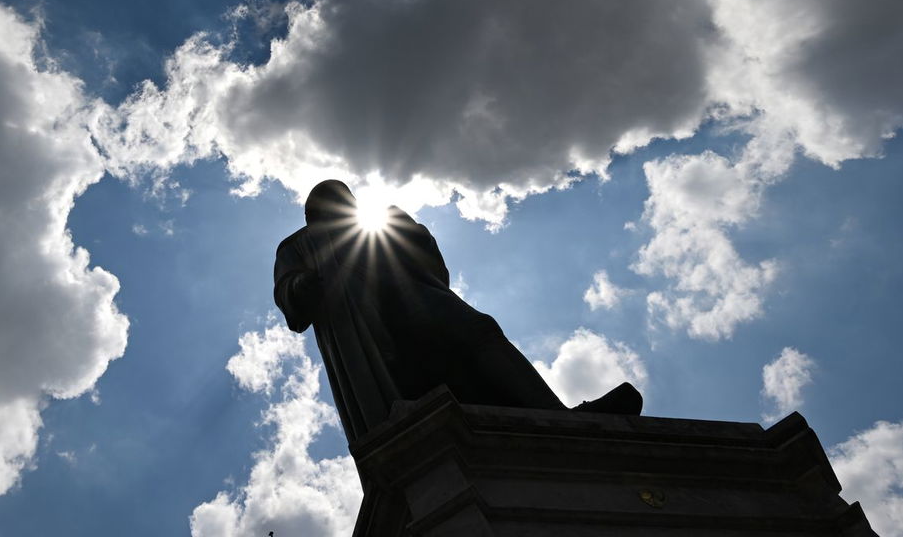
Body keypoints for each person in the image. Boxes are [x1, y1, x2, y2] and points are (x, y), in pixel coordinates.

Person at [274, 179, 642, 447]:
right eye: (331, 200)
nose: (341, 204)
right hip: (368, 327)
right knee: (418, 386)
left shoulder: (376, 218)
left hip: (416, 297)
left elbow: (431, 260)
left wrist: (409, 232)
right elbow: (288, 295)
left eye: (344, 196)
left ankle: (556, 417)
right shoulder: (297, 244)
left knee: (480, 332)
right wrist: (300, 286)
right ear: (311, 214)